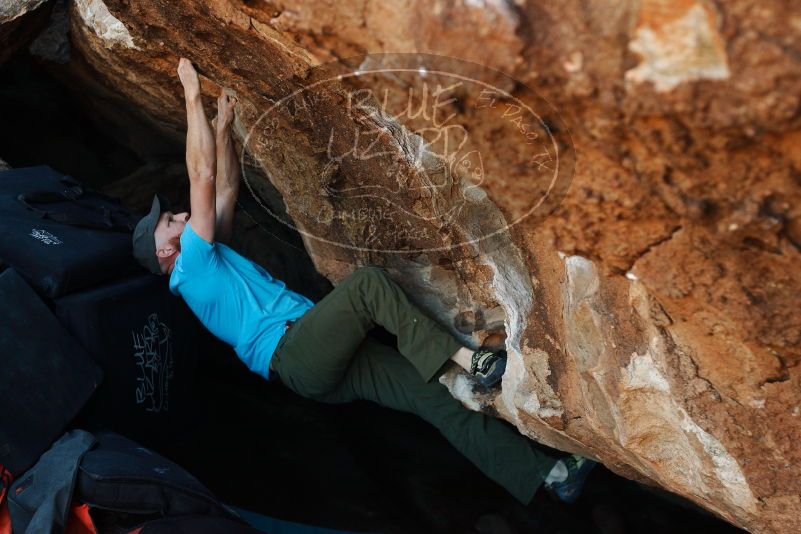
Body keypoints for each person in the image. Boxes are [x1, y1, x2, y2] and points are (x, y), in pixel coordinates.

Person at [131, 58, 595, 506]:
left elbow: (226, 189)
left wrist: (224, 124)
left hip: (313, 362)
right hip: (295, 352)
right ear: (164, 253)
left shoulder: (210, 259)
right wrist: (191, 93)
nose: (182, 216)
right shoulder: (191, 269)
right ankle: (470, 359)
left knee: (435, 398)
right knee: (368, 287)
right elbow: (203, 174)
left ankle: (553, 477)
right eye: (170, 221)